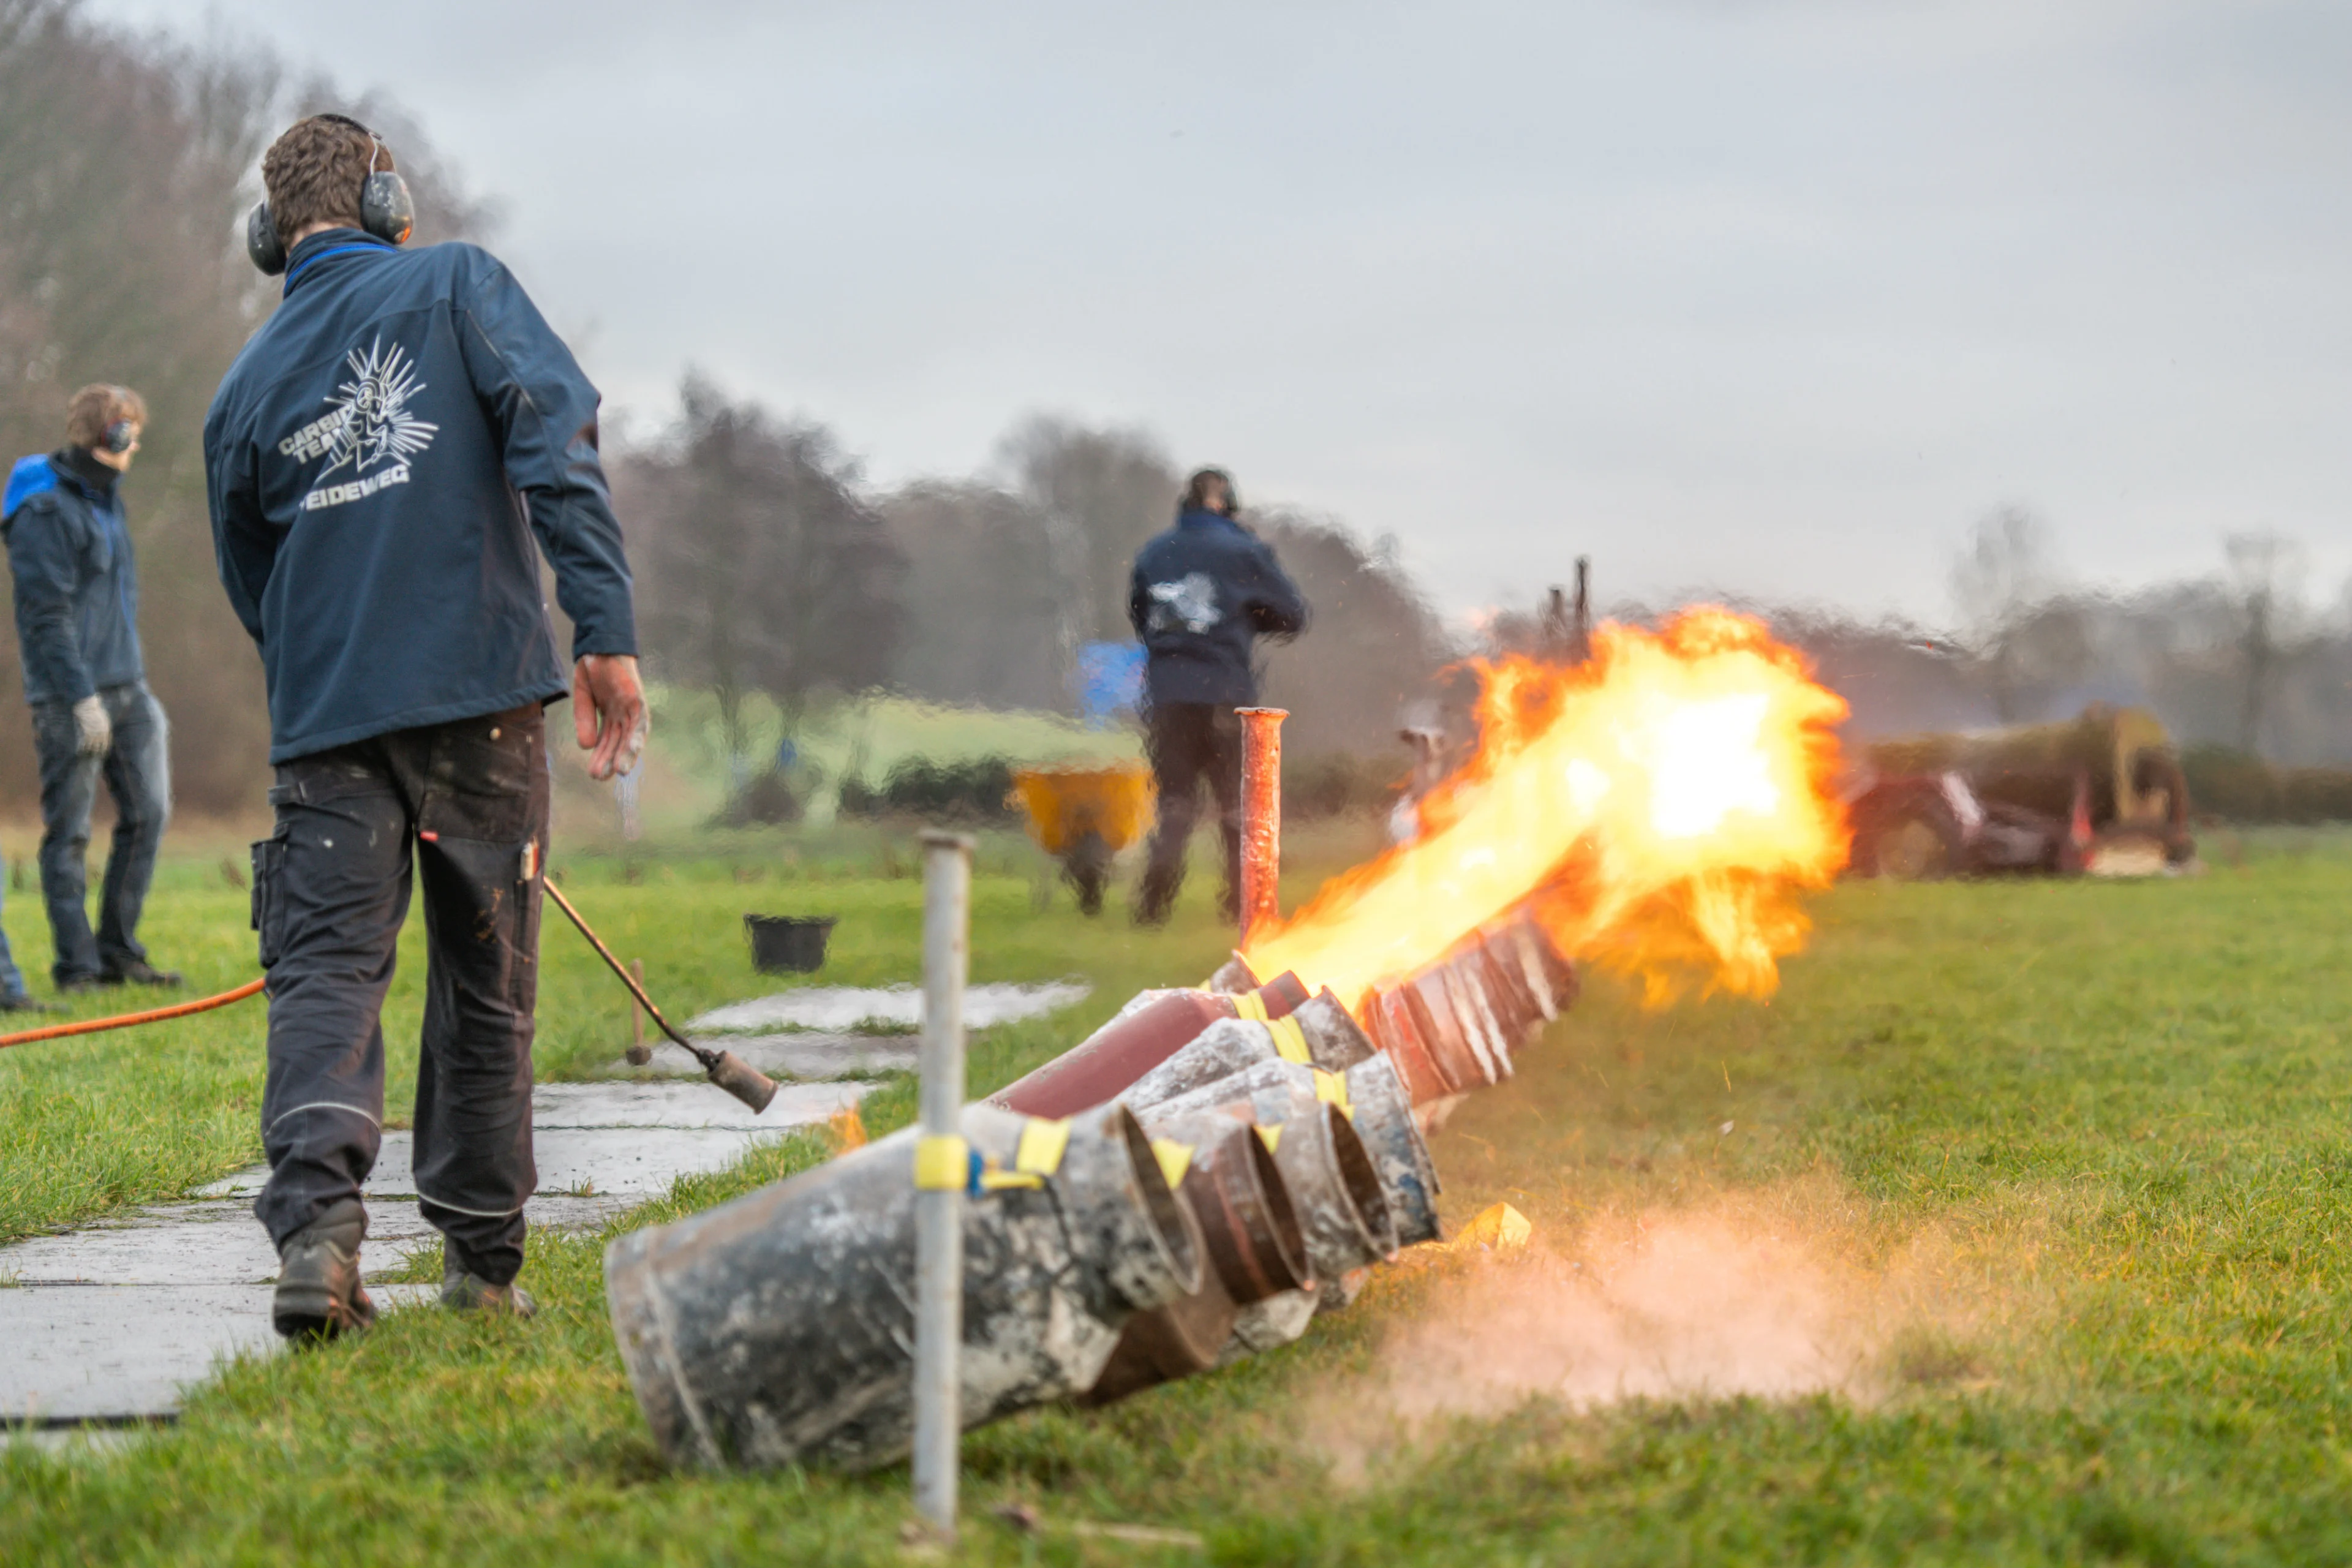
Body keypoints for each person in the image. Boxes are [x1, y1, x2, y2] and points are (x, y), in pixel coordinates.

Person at [203, 114, 646, 1340]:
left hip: (326, 720)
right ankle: (480, 1261)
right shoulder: (457, 283)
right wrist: (602, 628)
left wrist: (328, 664)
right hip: (479, 707)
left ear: (268, 236)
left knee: (325, 972)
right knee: (486, 977)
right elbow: (558, 448)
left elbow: (255, 586)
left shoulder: (240, 392)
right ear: (389, 198)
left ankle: (318, 1234)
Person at [1, 383, 177, 995]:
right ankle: (78, 968)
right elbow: (46, 617)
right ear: (110, 434)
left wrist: (132, 687)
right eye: (130, 428)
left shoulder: (107, 499)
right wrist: (81, 698)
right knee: (71, 832)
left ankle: (118, 950)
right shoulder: (45, 510)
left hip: (130, 687)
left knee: (150, 812)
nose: (137, 440)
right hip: (68, 697)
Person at [1128, 468, 1307, 925]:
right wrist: (1247, 616)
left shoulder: (1155, 551)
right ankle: (1242, 907)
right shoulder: (1244, 551)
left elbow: (1139, 613)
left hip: (1168, 693)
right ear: (1228, 505)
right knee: (1235, 803)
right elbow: (1292, 615)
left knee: (1174, 802)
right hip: (1227, 691)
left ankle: (1152, 909)